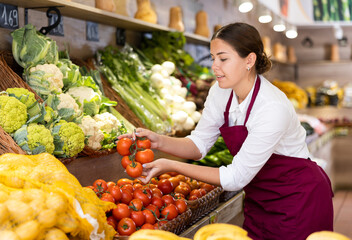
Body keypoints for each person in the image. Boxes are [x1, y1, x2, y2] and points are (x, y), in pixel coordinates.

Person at [118, 22, 333, 240]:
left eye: (223, 58)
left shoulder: (271, 106)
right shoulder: (220, 93)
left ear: (249, 60)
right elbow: (198, 144)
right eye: (213, 58)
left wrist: (171, 165)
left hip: (298, 198)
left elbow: (236, 177)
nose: (215, 66)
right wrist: (158, 141)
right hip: (259, 199)